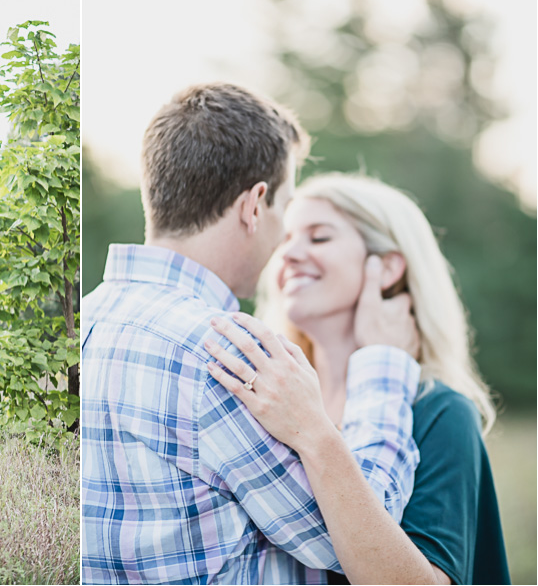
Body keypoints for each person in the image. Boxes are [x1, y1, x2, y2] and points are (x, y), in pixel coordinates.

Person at [81, 83, 423, 584]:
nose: (286, 240)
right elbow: (361, 532)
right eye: (285, 210)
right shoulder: (223, 354)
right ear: (254, 205)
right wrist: (383, 364)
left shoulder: (88, 321)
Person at [206, 173, 510, 584]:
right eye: (286, 239)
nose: (288, 254)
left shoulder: (440, 412)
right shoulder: (267, 399)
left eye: (319, 238)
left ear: (386, 268)